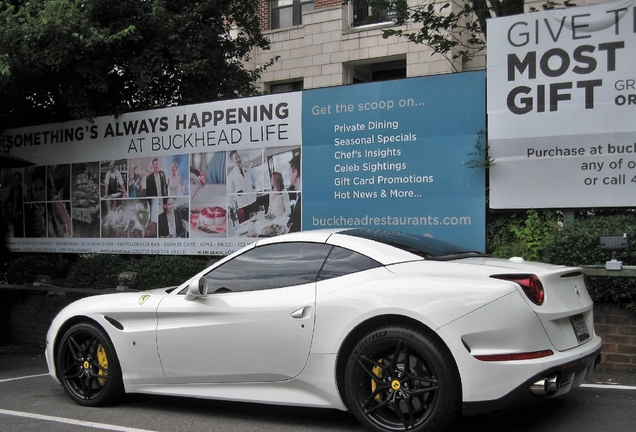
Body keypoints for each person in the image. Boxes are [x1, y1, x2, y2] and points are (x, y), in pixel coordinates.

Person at [3, 172, 24, 237]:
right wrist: (4, 204)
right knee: (14, 232)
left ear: (20, 181)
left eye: (18, 181)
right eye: (15, 181)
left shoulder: (22, 190)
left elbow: (24, 203)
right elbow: (9, 198)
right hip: (13, 216)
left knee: (20, 233)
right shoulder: (12, 188)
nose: (16, 182)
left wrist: (20, 212)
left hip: (20, 216)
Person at [287, 154, 301, 233]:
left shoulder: (304, 200)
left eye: (289, 171)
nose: (288, 175)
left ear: (295, 173)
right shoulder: (299, 195)